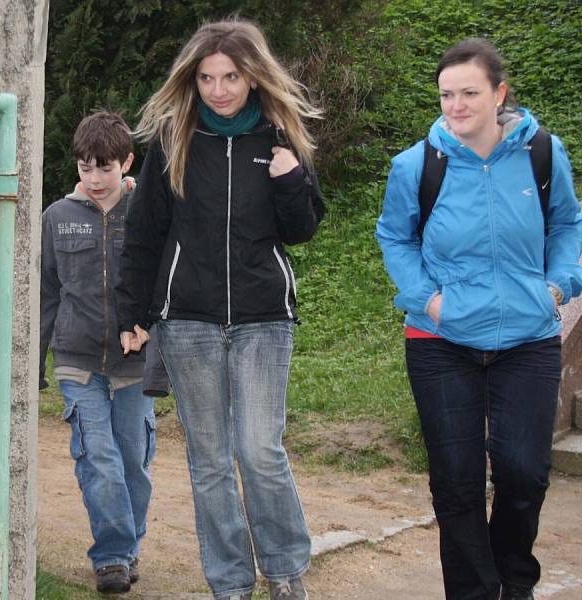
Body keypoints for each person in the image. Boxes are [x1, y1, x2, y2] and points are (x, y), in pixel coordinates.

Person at [115, 19, 325, 600]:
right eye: (207, 77)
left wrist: (289, 179)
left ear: (253, 76)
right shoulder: (173, 140)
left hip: (263, 316)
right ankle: (229, 582)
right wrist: (133, 311)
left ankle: (284, 571)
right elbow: (144, 233)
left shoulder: (280, 137)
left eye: (231, 76)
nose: (219, 89)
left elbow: (303, 227)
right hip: (188, 320)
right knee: (209, 460)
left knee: (259, 450)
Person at [376, 38, 582, 600]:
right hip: (440, 337)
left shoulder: (542, 153)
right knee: (457, 482)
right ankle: (473, 592)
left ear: (499, 93)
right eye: (446, 94)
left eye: (469, 92)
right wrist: (428, 300)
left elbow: (568, 224)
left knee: (524, 472)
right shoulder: (417, 165)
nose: (456, 105)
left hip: (528, 335)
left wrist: (559, 286)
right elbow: (395, 236)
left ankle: (514, 582)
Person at [40, 111, 156, 594]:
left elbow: (165, 283)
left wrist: (149, 329)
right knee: (99, 460)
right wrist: (33, 363)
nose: (93, 179)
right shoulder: (57, 217)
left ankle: (128, 549)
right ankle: (110, 557)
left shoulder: (149, 212)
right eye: (85, 167)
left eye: (104, 168)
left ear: (127, 162)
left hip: (135, 362)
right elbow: (46, 292)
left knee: (133, 463)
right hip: (77, 358)